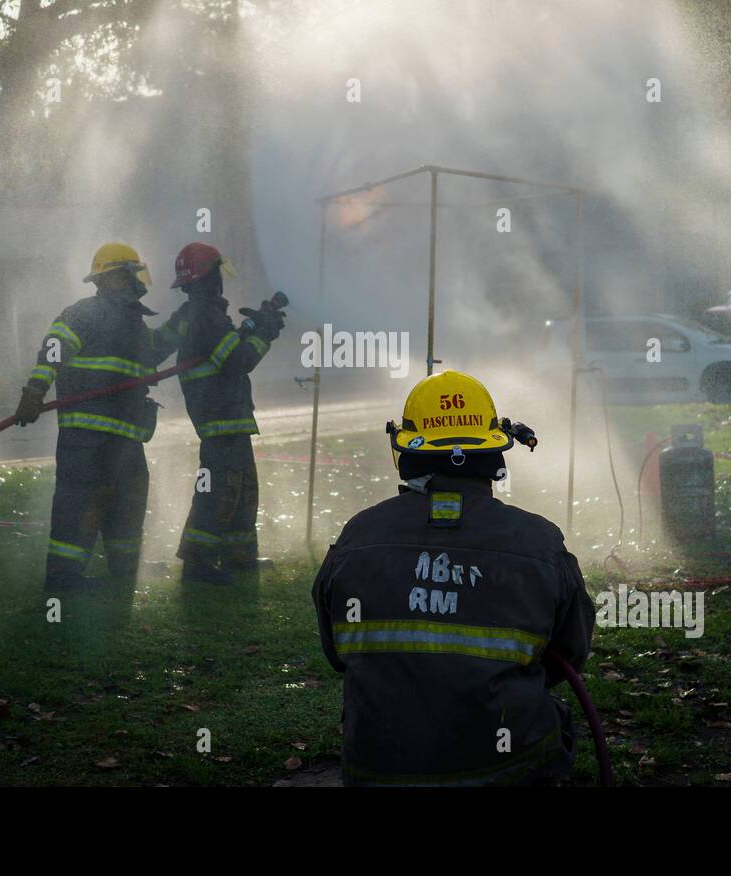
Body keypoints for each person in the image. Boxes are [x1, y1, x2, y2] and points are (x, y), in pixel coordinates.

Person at [311, 370, 596, 786]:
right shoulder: (540, 543)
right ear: (497, 452)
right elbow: (569, 654)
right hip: (505, 769)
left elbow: (338, 654)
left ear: (405, 451)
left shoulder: (358, 537)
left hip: (377, 769)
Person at [14, 242, 173, 591]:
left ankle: (124, 569)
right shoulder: (84, 313)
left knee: (126, 506)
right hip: (86, 440)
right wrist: (34, 392)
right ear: (115, 276)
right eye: (132, 275)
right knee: (78, 505)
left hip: (126, 439)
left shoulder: (135, 325)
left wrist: (184, 325)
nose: (137, 283)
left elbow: (152, 357)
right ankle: (63, 578)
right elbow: (53, 348)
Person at [157, 241, 285, 584]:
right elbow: (237, 361)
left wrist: (255, 329)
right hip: (221, 419)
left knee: (241, 491)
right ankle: (197, 565)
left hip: (225, 419)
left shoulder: (198, 314)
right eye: (218, 273)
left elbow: (159, 347)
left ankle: (239, 558)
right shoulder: (209, 317)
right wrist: (266, 335)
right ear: (209, 277)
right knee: (217, 492)